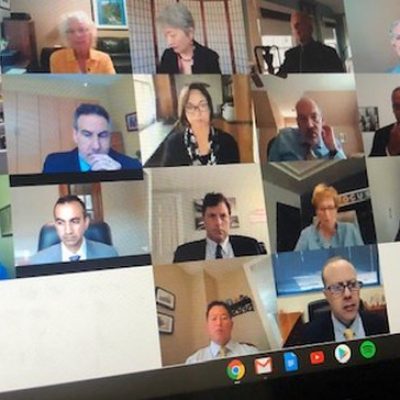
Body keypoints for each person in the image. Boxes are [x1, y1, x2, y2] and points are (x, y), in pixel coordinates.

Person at [296, 257, 389, 345]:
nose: (347, 294)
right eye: (337, 288)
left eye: (352, 284)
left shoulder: (381, 326)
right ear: (327, 295)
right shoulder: (308, 336)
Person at [42, 103, 142, 173]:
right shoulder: (54, 163)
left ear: (110, 136)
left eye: (103, 135)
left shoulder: (133, 167)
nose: (96, 146)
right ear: (75, 135)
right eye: (87, 135)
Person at [161, 83, 239, 167]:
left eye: (203, 105)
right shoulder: (173, 144)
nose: (198, 112)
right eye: (190, 107)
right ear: (184, 112)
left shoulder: (228, 142)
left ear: (210, 108)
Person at [173, 193, 263, 263]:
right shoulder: (184, 253)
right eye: (212, 216)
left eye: (223, 216)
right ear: (204, 220)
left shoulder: (251, 247)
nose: (218, 223)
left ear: (230, 219)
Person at [30, 195, 118, 265]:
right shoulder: (38, 261)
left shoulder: (109, 254)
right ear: (56, 225)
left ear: (86, 223)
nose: (68, 231)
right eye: (60, 223)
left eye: (75, 221)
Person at [268, 97, 346, 162]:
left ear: (322, 121)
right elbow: (270, 172)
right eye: (303, 119)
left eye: (314, 117)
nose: (309, 125)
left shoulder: (334, 143)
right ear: (298, 122)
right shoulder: (283, 139)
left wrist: (333, 150)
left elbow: (346, 171)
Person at [295, 184, 364, 251]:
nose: (327, 214)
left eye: (330, 208)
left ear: (336, 209)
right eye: (322, 209)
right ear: (316, 212)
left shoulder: (350, 230)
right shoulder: (306, 235)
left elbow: (363, 256)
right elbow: (296, 258)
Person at [185, 301, 259, 364]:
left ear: (231, 324)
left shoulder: (251, 353)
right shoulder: (193, 361)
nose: (219, 323)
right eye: (214, 319)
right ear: (207, 326)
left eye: (224, 318)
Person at [157, 3, 221, 74]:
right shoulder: (167, 56)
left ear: (190, 33)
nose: (169, 42)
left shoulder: (210, 58)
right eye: (166, 36)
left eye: (173, 35)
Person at [277, 11, 344, 75]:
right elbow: (278, 79)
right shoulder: (290, 55)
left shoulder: (329, 53)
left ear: (310, 27)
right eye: (292, 26)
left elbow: (340, 79)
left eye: (298, 24)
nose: (295, 28)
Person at [50, 11, 115, 74]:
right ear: (66, 36)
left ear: (91, 33)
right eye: (71, 31)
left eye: (81, 30)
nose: (77, 35)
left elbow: (113, 81)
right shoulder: (57, 58)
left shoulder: (104, 59)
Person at [369, 87, 400, 156]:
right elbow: (372, 161)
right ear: (393, 109)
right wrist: (390, 151)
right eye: (397, 106)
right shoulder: (380, 135)